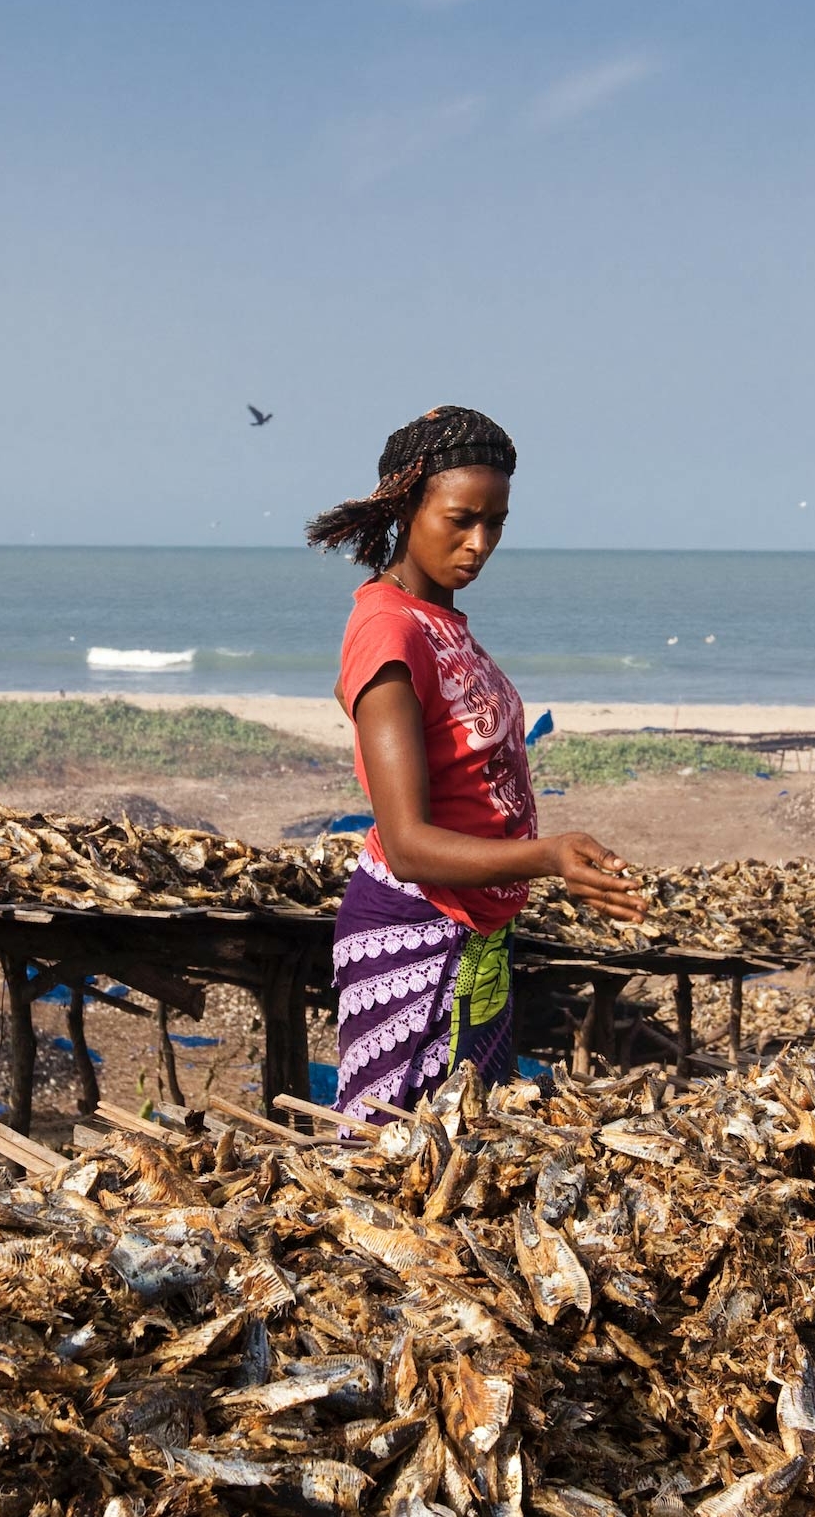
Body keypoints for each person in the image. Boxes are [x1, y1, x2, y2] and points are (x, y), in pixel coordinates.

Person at [306, 406, 646, 1121]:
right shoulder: (389, 629)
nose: (480, 543)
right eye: (461, 520)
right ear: (406, 507)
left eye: (496, 522)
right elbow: (407, 845)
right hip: (417, 934)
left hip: (477, 934)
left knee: (471, 1148)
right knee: (402, 1158)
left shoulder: (438, 623)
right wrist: (548, 856)